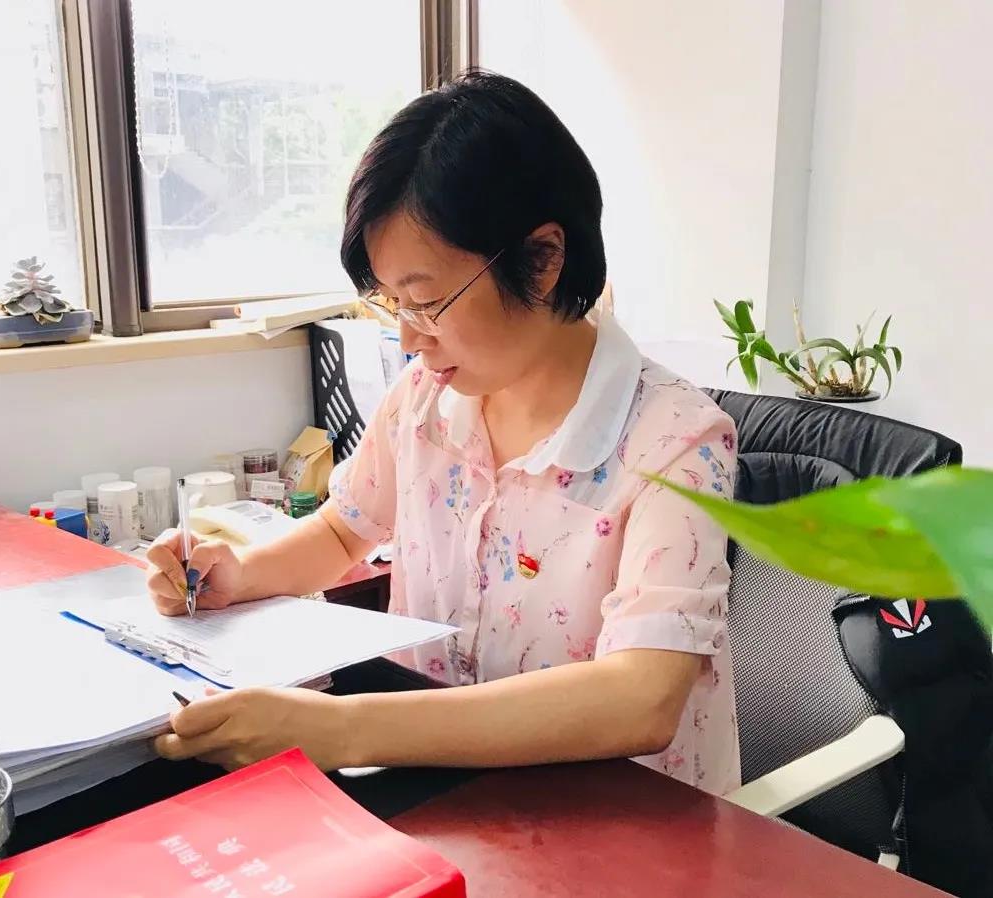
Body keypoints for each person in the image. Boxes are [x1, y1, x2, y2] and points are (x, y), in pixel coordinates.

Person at [146, 71, 740, 795]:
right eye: (391, 304)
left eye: (425, 301)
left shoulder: (676, 442)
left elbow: (642, 697)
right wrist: (238, 576)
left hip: (620, 819)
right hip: (447, 792)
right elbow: (342, 531)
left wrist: (340, 730)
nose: (407, 338)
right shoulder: (426, 400)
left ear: (543, 260)